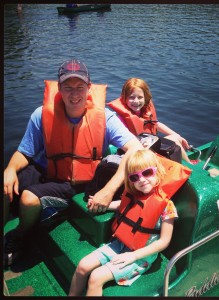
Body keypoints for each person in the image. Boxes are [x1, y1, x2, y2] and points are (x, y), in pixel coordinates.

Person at [3, 59, 142, 267]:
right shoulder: (41, 115)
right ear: (58, 89)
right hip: (47, 169)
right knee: (5, 185)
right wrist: (10, 169)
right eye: (68, 87)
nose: (74, 94)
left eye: (79, 87)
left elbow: (136, 150)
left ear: (89, 88)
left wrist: (108, 189)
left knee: (28, 199)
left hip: (77, 181)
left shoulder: (105, 118)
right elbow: (25, 151)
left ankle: (20, 235)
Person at [68, 149, 179, 296]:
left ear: (157, 171)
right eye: (135, 177)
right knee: (82, 266)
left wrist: (133, 256)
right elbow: (120, 205)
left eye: (147, 173)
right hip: (120, 244)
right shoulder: (134, 196)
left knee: (96, 277)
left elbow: (164, 241)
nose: (142, 180)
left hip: (142, 256)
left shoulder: (167, 205)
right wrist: (100, 204)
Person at [107, 78, 200, 165]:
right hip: (137, 153)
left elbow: (156, 124)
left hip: (148, 145)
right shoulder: (120, 119)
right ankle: (189, 165)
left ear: (145, 97)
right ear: (124, 98)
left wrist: (180, 136)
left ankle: (185, 162)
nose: (136, 101)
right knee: (175, 139)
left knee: (177, 138)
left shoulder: (142, 111)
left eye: (140, 97)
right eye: (132, 97)